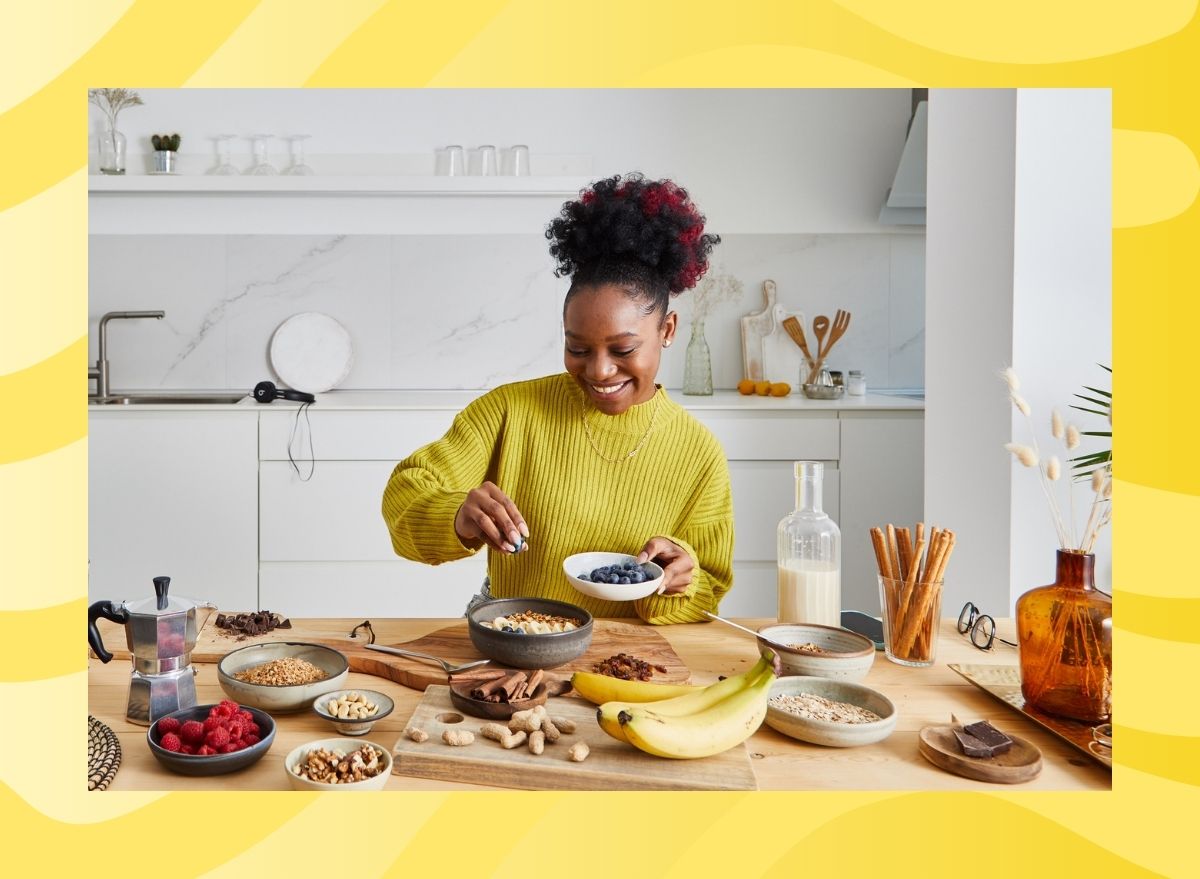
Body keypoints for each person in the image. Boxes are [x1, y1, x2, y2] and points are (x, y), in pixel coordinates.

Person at [381, 172, 733, 624]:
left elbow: (709, 594)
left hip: (625, 655)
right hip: (512, 637)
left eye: (623, 350)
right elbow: (405, 497)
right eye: (578, 349)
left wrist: (680, 577)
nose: (599, 371)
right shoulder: (510, 411)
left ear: (667, 331)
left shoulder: (697, 452)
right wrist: (457, 516)